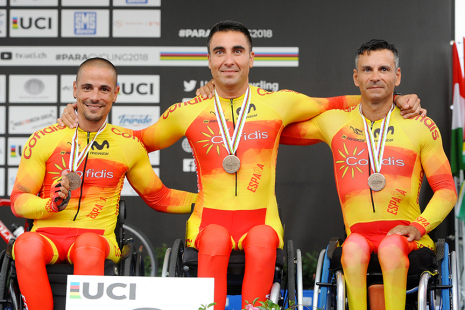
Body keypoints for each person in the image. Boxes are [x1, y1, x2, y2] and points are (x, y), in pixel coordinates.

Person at [58, 22, 422, 310]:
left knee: (264, 241)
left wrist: (395, 98)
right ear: (209, 60)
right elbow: (136, 141)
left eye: (237, 51)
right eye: (219, 51)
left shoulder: (280, 103)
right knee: (214, 239)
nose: (228, 59)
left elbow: (337, 102)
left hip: (261, 219)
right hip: (209, 219)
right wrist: (87, 116)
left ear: (252, 58)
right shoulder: (188, 111)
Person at [280, 39, 457, 310]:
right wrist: (217, 99)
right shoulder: (335, 121)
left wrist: (417, 226)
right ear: (355, 77)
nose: (375, 76)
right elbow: (275, 129)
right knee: (351, 249)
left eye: (384, 70)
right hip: (357, 237)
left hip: (407, 238)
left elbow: (446, 188)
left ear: (397, 76)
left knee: (390, 248)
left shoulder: (421, 125)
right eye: (367, 70)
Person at [10, 58, 197, 310]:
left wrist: (207, 201)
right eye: (87, 88)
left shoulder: (128, 143)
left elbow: (159, 197)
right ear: (75, 89)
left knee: (89, 247)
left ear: (116, 94)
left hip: (96, 237)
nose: (94, 96)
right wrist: (49, 205)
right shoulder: (43, 139)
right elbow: (19, 200)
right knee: (25, 245)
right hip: (46, 235)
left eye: (104, 89)